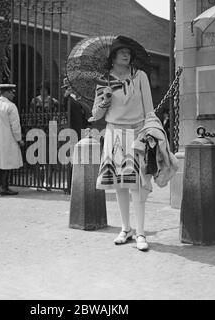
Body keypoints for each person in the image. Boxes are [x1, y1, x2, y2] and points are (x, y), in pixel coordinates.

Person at [89, 39, 157, 251]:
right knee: (119, 184)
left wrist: (149, 133)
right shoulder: (104, 81)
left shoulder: (139, 76)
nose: (126, 56)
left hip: (137, 131)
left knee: (136, 185)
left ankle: (140, 232)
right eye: (121, 53)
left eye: (128, 53)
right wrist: (105, 101)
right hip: (114, 132)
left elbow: (149, 109)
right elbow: (96, 115)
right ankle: (125, 229)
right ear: (113, 57)